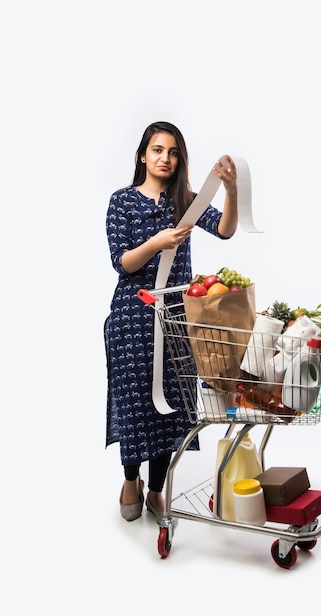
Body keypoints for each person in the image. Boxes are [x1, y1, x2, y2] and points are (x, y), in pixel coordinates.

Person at [104, 121, 238, 522]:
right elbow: (122, 262)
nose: (165, 158)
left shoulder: (186, 201)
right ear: (143, 155)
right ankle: (131, 478)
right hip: (133, 314)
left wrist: (230, 188)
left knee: (172, 405)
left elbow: (226, 229)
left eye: (173, 152)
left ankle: (157, 488)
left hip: (178, 317)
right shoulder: (122, 201)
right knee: (136, 402)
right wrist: (156, 243)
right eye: (158, 150)